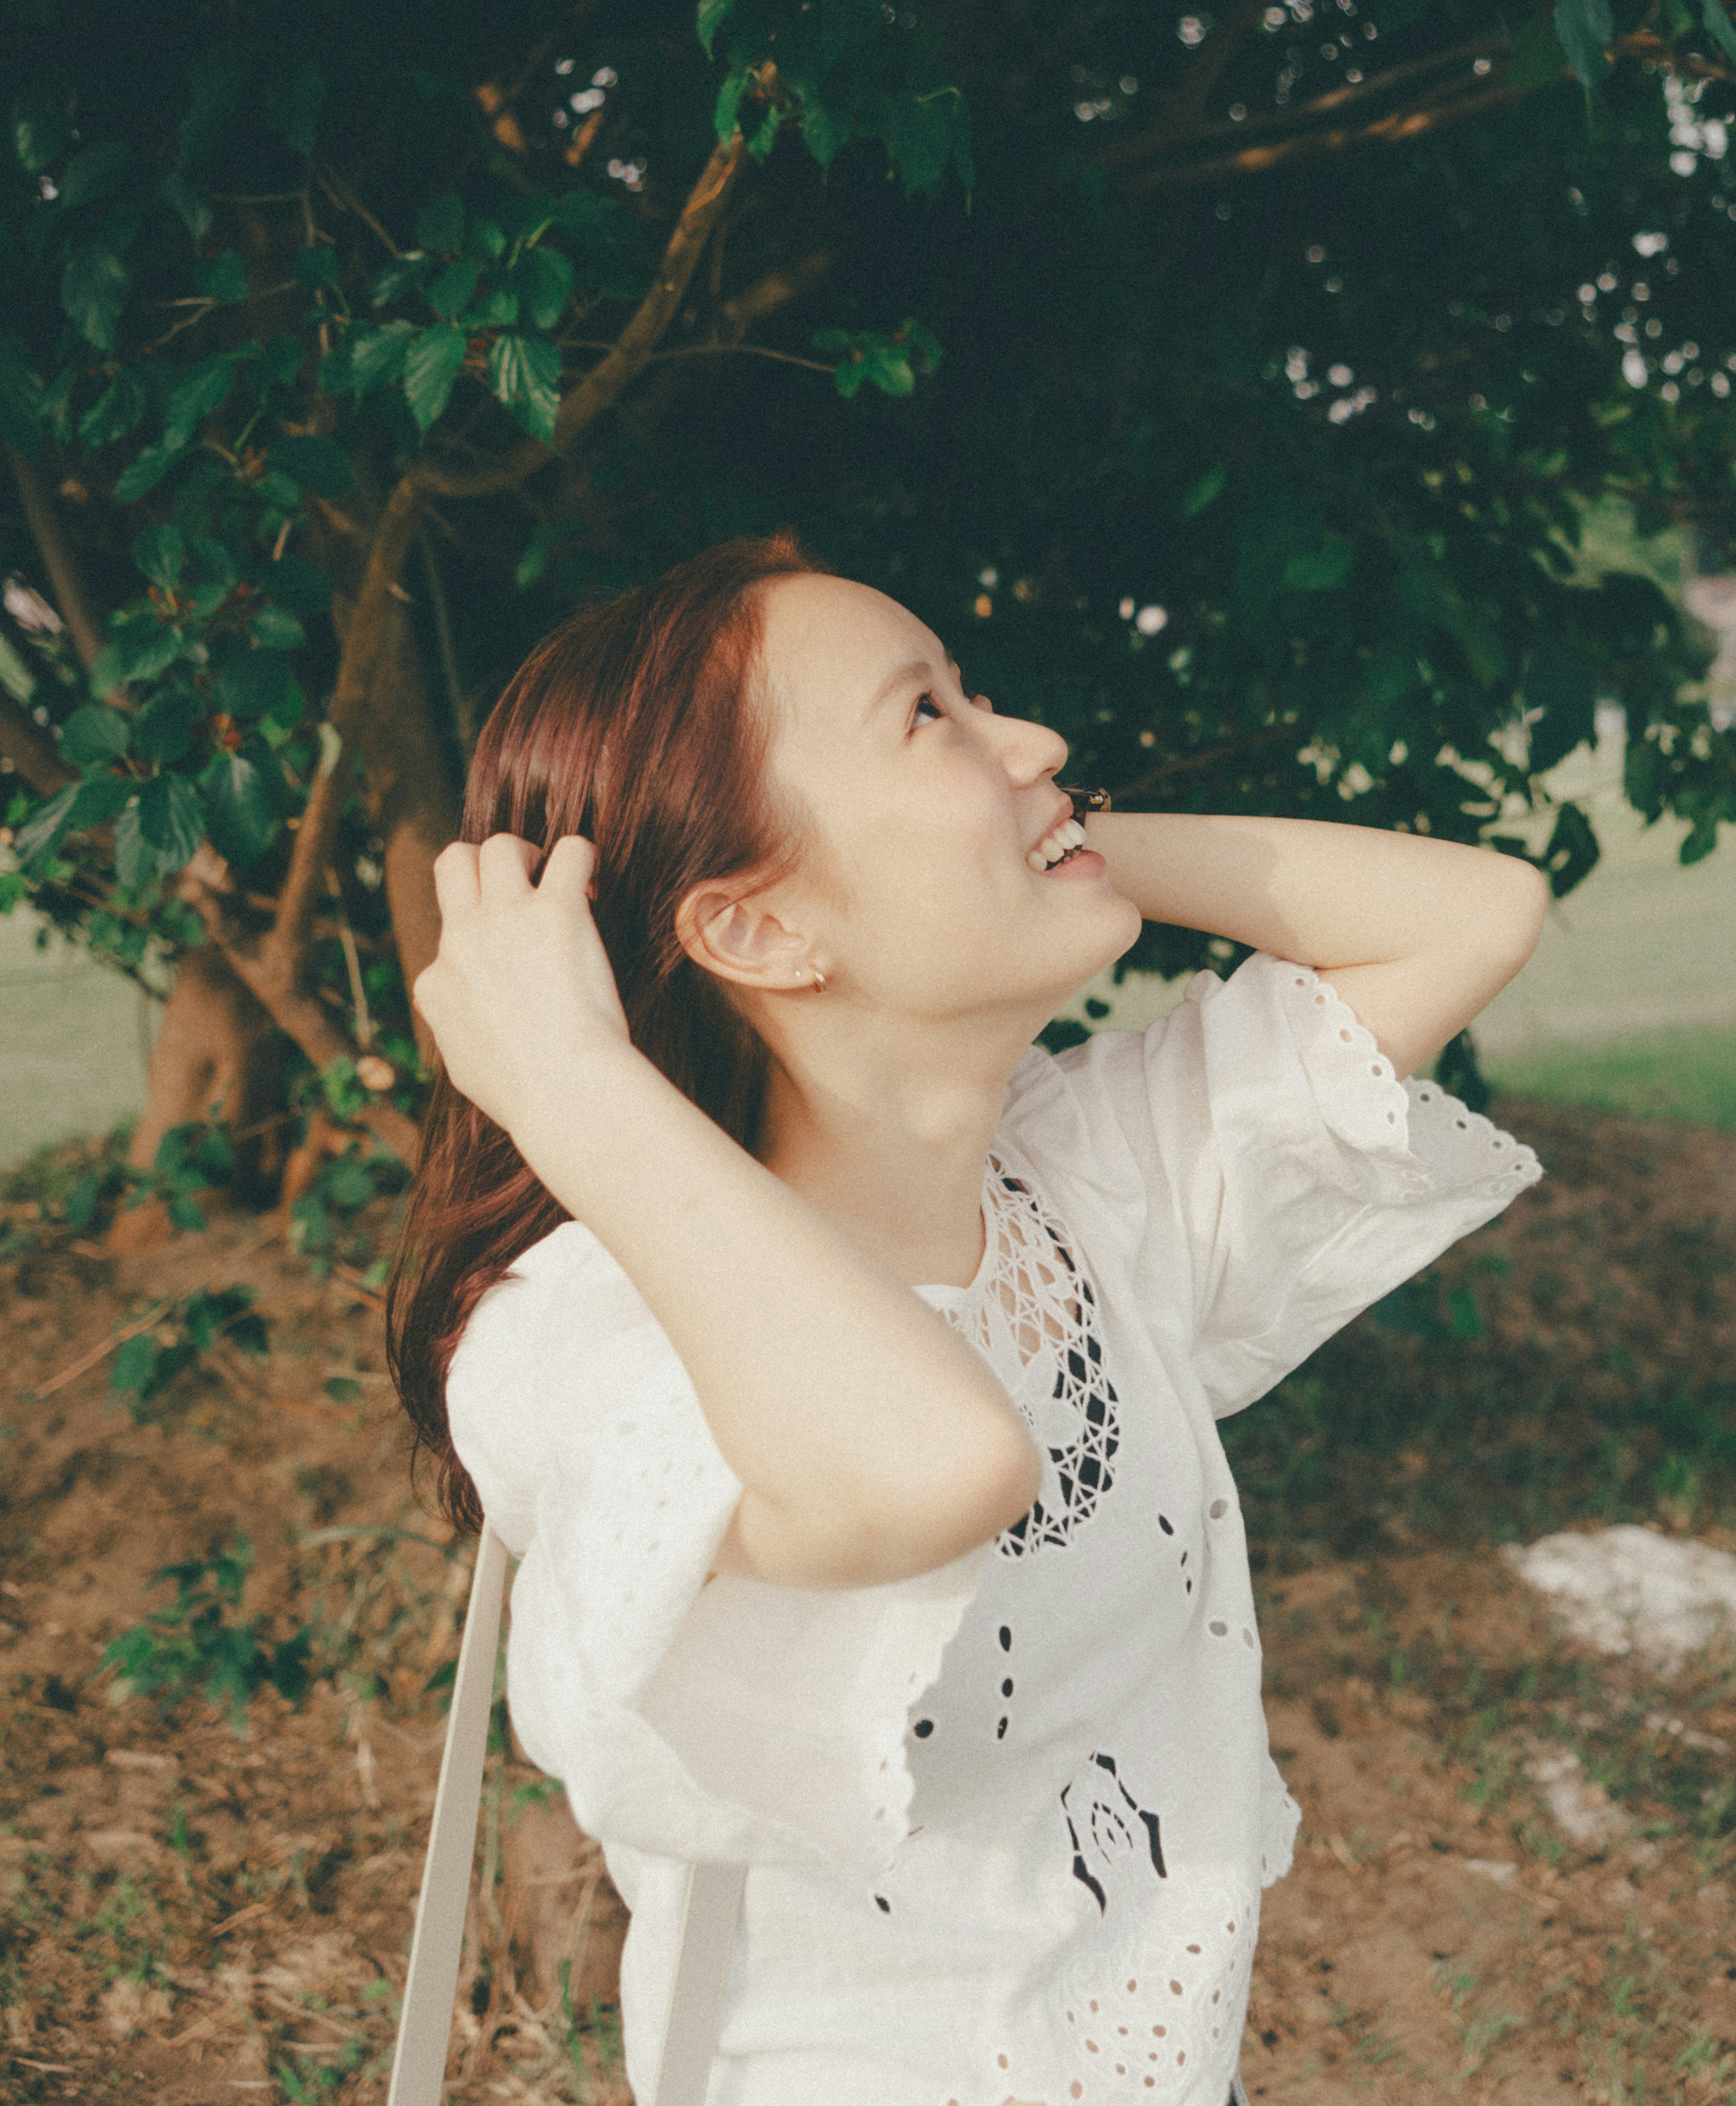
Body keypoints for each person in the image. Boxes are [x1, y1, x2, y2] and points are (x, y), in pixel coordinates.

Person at [387, 532, 1548, 2106]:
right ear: (755, 932)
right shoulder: (588, 1331)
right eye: (926, 715)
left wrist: (1043, 829)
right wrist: (561, 1079)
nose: (1037, 738)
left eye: (973, 693)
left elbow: (1472, 914)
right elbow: (933, 1466)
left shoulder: (1073, 1187)